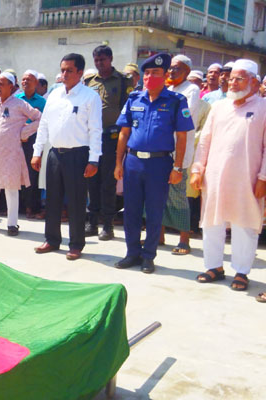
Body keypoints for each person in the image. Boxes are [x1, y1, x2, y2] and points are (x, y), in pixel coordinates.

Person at [190, 59, 266, 297]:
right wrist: (197, 169)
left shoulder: (263, 108)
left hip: (247, 177)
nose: (232, 83)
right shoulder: (220, 107)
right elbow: (205, 140)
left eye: (239, 78)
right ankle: (214, 267)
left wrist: (263, 177)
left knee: (245, 224)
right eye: (231, 78)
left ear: (254, 82)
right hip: (214, 175)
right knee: (212, 221)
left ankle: (242, 272)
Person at [113, 53, 193, 274]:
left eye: (155, 73)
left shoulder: (176, 101)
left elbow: (182, 137)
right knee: (131, 210)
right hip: (133, 162)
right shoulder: (134, 99)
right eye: (146, 73)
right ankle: (131, 253)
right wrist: (118, 163)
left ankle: (148, 256)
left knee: (155, 211)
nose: (149, 77)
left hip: (160, 164)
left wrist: (177, 167)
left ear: (165, 75)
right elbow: (124, 133)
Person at [31, 53, 101, 261]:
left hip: (78, 155)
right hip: (54, 154)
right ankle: (52, 240)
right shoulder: (54, 95)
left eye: (69, 70)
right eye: (62, 70)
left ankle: (76, 244)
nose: (65, 74)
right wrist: (37, 152)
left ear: (80, 72)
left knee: (77, 201)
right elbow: (43, 125)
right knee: (52, 200)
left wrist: (93, 159)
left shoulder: (90, 97)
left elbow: (95, 130)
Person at [0, 72, 41, 236]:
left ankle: (12, 224)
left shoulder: (20, 104)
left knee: (11, 189)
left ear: (11, 86)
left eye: (1, 84)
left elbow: (39, 118)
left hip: (12, 152)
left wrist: (23, 133)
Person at [84, 45, 133, 240]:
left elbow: (128, 110)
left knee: (108, 183)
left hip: (113, 139)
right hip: (93, 139)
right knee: (92, 181)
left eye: (102, 60)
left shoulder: (122, 80)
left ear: (111, 59)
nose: (99, 63)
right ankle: (92, 223)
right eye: (96, 60)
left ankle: (108, 225)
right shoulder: (89, 82)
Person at [162, 54, 201, 255]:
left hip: (179, 150)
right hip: (162, 149)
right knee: (158, 194)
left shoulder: (192, 89)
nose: (172, 71)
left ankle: (184, 239)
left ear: (186, 70)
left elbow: (185, 113)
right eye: (171, 68)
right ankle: (158, 235)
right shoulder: (168, 89)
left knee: (178, 195)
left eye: (177, 68)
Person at [16, 70, 47, 218]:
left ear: (36, 83)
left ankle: (30, 206)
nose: (25, 82)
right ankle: (17, 205)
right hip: (15, 140)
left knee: (31, 173)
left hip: (33, 142)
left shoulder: (42, 102)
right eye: (23, 79)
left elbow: (44, 123)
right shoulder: (15, 99)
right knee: (15, 172)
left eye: (29, 80)